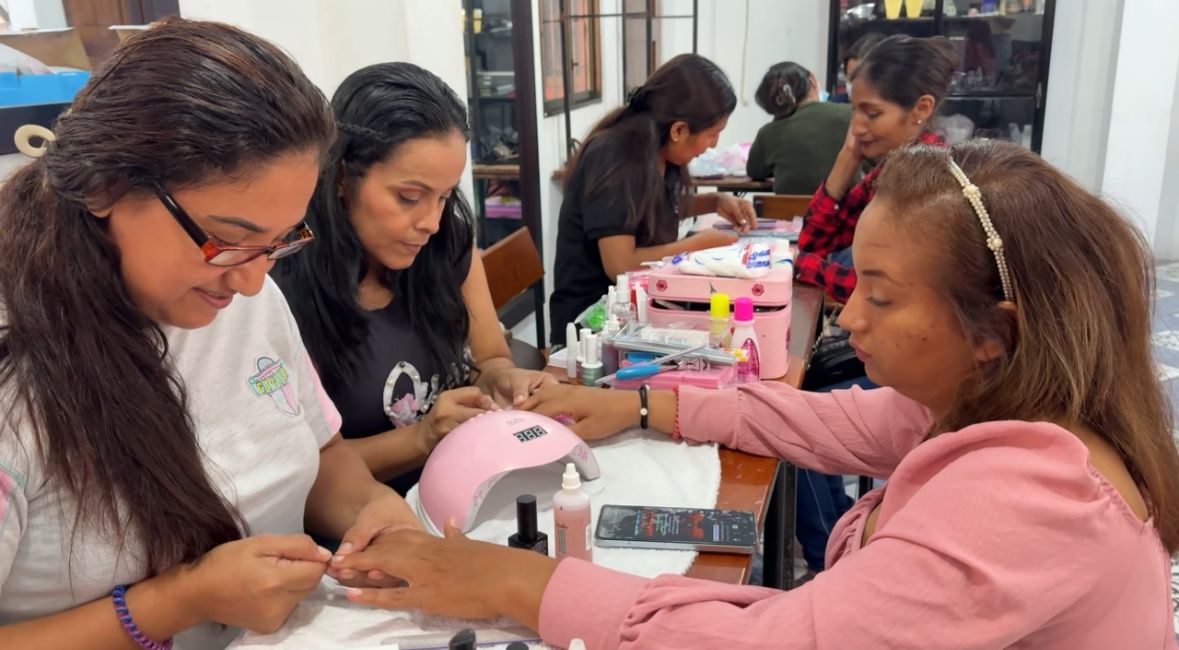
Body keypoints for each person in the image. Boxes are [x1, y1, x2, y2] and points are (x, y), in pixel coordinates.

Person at [333, 139, 1179, 649]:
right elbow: (829, 420)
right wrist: (640, 405)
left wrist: (511, 584)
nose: (849, 316)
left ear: (992, 329)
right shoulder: (994, 400)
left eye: (881, 296)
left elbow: (783, 638)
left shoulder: (1033, 494)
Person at [0, 19, 421, 649]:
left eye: (280, 242)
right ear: (105, 185)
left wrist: (373, 512)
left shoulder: (247, 297)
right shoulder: (19, 373)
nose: (251, 282)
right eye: (226, 240)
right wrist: (174, 602)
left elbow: (324, 454)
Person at [271, 63, 554, 496]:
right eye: (409, 197)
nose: (431, 222)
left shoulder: (446, 245)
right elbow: (303, 468)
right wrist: (422, 437)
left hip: (463, 487)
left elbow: (490, 358)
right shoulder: (283, 289)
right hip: (364, 517)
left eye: (444, 197)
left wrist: (503, 380)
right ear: (341, 175)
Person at [548, 54, 755, 346]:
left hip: (639, 313)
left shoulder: (660, 153)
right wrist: (695, 247)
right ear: (678, 130)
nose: (713, 145)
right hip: (590, 328)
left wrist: (715, 201)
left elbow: (651, 211)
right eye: (712, 134)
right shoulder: (615, 157)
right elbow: (620, 264)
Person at [796, 34, 958, 304]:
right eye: (855, 110)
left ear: (921, 108)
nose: (857, 127)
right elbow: (814, 244)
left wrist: (802, 265)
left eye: (872, 114)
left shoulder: (926, 181)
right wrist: (848, 157)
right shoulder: (890, 169)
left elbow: (879, 290)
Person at [747, 62, 852, 195]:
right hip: (845, 207)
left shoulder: (768, 133)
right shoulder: (850, 115)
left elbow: (754, 171)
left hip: (789, 209)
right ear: (812, 80)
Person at [831, 32, 883, 103]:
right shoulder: (835, 104)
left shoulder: (894, 107)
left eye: (862, 77)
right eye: (850, 77)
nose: (855, 84)